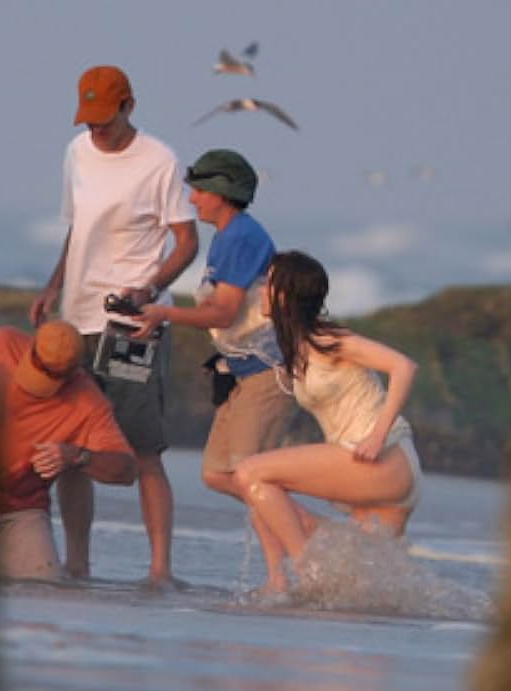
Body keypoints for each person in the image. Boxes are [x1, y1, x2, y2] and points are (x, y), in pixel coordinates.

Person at [28, 65, 199, 586]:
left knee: (143, 447)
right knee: (72, 446)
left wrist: (150, 289)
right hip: (74, 319)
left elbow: (188, 241)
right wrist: (53, 285)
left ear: (129, 106)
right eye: (89, 119)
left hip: (131, 325)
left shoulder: (160, 160)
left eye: (104, 119)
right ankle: (77, 563)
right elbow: (78, 227)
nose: (95, 130)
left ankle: (159, 569)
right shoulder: (76, 152)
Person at [133, 149, 296, 588]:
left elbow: (224, 312)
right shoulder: (227, 235)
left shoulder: (241, 235)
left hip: (267, 371)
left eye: (200, 189)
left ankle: (285, 572)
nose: (192, 198)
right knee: (217, 474)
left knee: (251, 476)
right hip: (240, 372)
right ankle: (300, 545)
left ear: (222, 193)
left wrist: (162, 315)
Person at [232, 250, 424, 595]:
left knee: (252, 472)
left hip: (384, 459)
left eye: (269, 285)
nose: (261, 291)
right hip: (371, 479)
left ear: (287, 295)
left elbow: (403, 366)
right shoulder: (298, 347)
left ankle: (305, 573)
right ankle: (278, 582)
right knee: (364, 586)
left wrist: (377, 437)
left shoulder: (328, 339)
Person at [0, 321, 137, 580]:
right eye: (37, 367)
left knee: (45, 586)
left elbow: (126, 470)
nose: (36, 382)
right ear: (32, 344)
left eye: (52, 376)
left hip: (19, 509)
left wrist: (78, 456)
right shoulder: (0, 340)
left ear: (73, 372)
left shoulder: (89, 403)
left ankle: (76, 566)